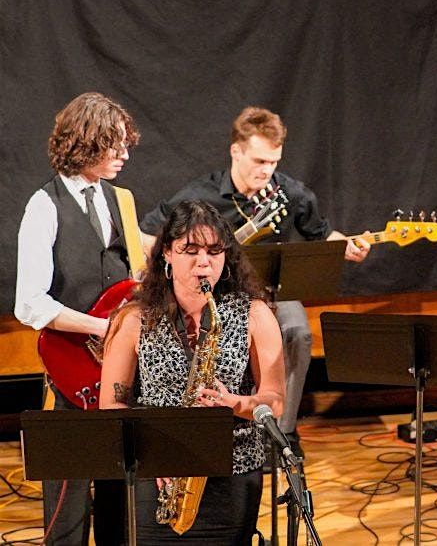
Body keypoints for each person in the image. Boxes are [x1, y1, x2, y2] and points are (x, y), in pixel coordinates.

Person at [139, 106, 370, 455]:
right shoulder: (200, 196)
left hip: (273, 291)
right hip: (216, 294)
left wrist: (349, 246)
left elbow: (322, 235)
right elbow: (145, 235)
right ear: (236, 151)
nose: (267, 170)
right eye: (260, 161)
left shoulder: (291, 194)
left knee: (299, 332)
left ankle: (282, 431)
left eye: (274, 162)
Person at [100, 199, 285, 544]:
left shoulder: (255, 315)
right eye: (190, 250)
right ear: (167, 253)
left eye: (214, 252)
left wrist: (235, 403)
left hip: (233, 470)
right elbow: (111, 407)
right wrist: (156, 456)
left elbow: (275, 401)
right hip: (159, 475)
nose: (204, 262)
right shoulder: (133, 319)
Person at [14, 91, 140, 545]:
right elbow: (30, 303)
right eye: (115, 144)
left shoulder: (120, 200)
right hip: (70, 368)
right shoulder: (44, 206)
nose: (125, 154)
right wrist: (103, 328)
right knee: (67, 505)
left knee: (118, 493)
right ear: (86, 142)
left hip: (117, 369)